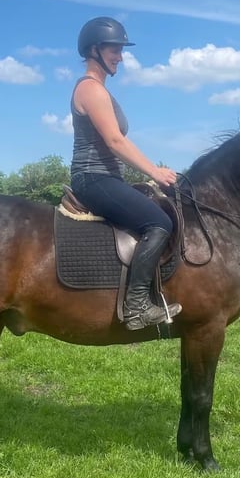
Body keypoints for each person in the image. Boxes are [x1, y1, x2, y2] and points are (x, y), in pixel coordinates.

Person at [69, 16, 182, 331]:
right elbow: (115, 141)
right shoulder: (90, 89)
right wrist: (154, 171)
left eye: (121, 49)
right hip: (93, 178)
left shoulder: (101, 91)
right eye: (114, 49)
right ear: (94, 50)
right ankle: (136, 308)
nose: (120, 56)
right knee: (160, 223)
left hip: (106, 178)